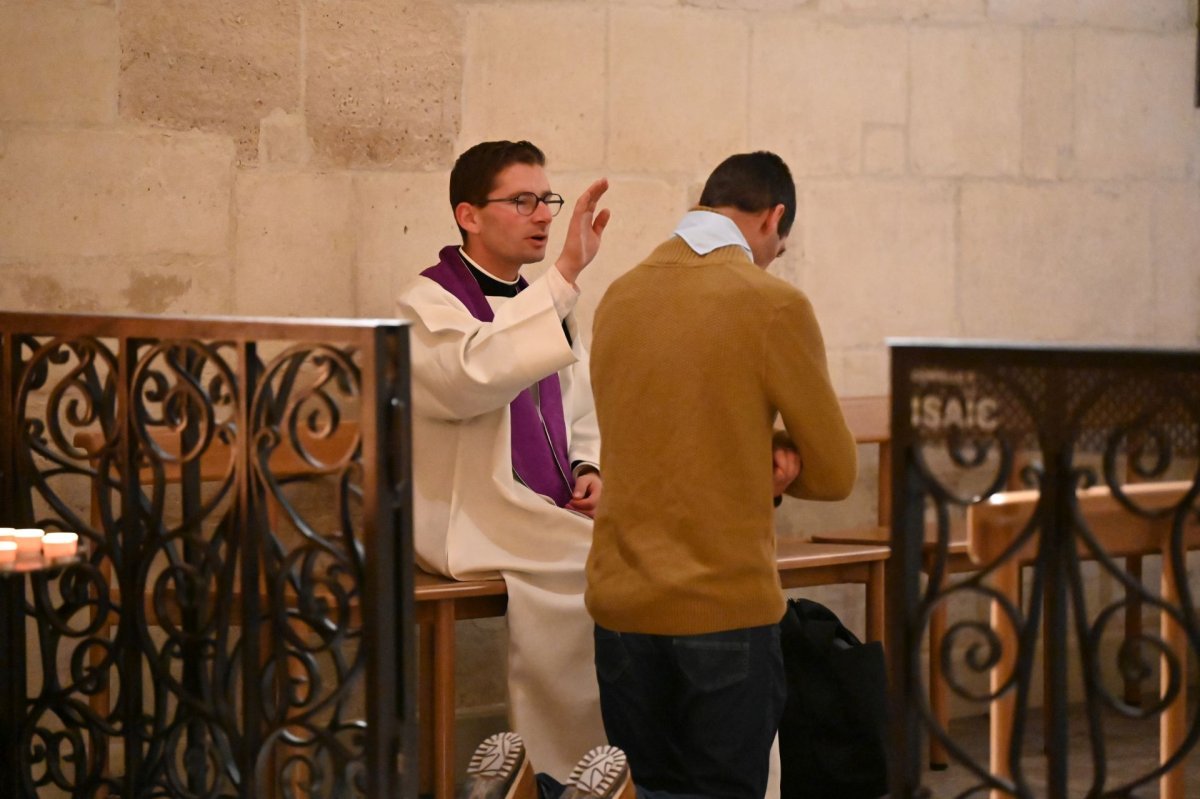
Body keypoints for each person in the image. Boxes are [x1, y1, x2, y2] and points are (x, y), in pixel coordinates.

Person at [584, 151, 858, 799]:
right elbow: (837, 470)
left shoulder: (619, 296)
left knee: (647, 787)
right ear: (774, 217)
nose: (772, 258)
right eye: (778, 246)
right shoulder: (771, 303)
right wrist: (782, 456)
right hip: (722, 604)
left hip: (621, 604)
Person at [395, 140, 611, 777]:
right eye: (523, 201)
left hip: (540, 508)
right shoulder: (426, 304)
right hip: (464, 514)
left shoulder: (545, 304)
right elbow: (470, 379)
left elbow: (580, 405)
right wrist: (564, 278)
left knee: (640, 553)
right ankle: (563, 772)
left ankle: (617, 761)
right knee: (595, 565)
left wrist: (588, 467)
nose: (543, 215)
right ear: (468, 214)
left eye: (546, 199)